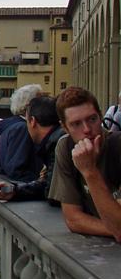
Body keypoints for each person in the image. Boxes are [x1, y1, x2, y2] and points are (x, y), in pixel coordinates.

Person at [48, 86, 121, 242]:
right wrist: (114, 226)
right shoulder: (66, 147)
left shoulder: (117, 146)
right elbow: (73, 219)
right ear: (65, 127)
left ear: (101, 117)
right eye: (76, 124)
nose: (87, 129)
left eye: (92, 119)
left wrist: (89, 171)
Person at [0, 96, 64, 202]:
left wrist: (16, 190)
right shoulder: (56, 140)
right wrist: (16, 190)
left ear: (32, 121)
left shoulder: (56, 143)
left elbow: (52, 190)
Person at [0, 84, 43, 181]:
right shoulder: (22, 129)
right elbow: (16, 169)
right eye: (40, 101)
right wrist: (40, 182)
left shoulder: (13, 127)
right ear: (28, 106)